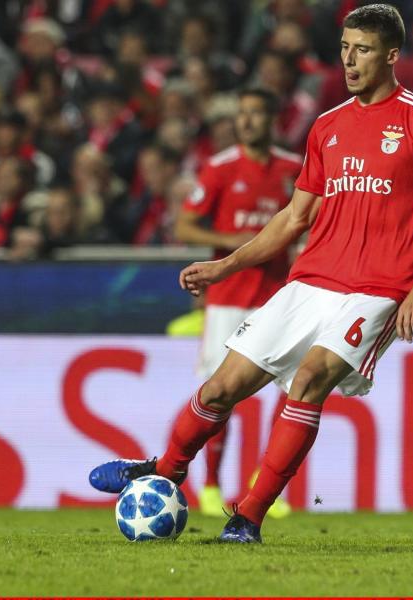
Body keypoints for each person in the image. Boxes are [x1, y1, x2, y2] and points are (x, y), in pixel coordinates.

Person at [88, 4, 413, 543]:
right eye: (344, 48)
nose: (349, 60)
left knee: (309, 379)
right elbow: (295, 218)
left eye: (362, 49)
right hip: (309, 282)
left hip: (377, 290)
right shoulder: (327, 126)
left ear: (392, 56)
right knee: (222, 387)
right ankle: (165, 472)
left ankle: (246, 517)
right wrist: (225, 266)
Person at [173, 88, 303, 518]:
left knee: (291, 390)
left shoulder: (293, 168)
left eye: (256, 114)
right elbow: (186, 226)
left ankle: (266, 486)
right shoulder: (220, 168)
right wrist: (227, 243)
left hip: (277, 298)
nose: (246, 121)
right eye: (242, 114)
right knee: (218, 394)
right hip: (227, 299)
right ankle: (210, 484)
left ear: (272, 120)